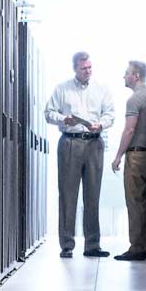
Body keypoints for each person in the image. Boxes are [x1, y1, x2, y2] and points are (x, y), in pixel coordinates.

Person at [43, 51, 117, 258]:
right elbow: (48, 113)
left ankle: (92, 245)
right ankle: (67, 245)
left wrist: (100, 124)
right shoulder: (62, 89)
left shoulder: (102, 89)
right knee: (68, 196)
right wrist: (63, 119)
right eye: (84, 68)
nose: (88, 71)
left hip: (94, 143)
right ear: (75, 68)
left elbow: (110, 114)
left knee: (92, 196)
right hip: (70, 142)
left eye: (90, 67)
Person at [110, 60, 146, 261]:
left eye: (126, 73)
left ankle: (137, 247)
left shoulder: (135, 100)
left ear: (136, 76)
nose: (124, 77)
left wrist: (118, 156)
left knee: (135, 202)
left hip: (137, 156)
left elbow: (130, 129)